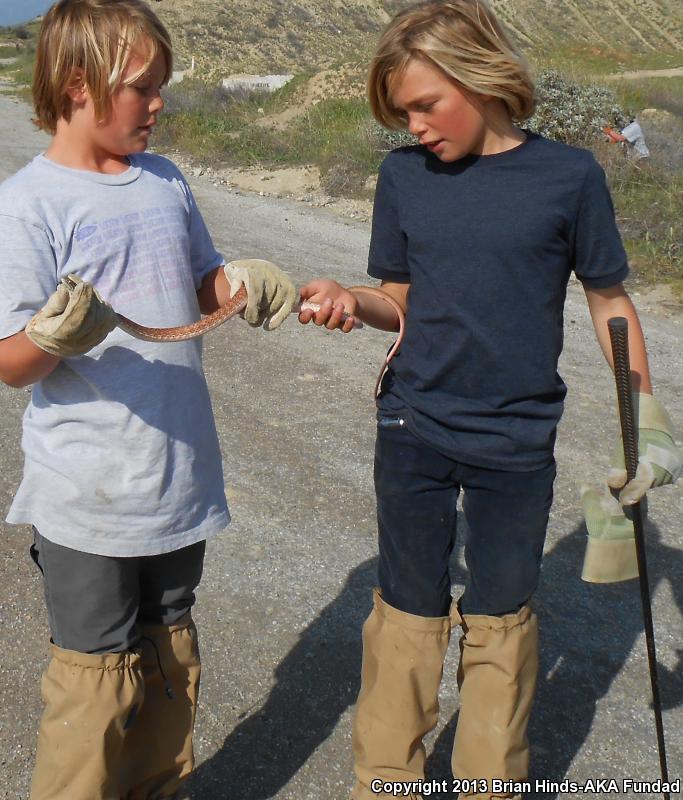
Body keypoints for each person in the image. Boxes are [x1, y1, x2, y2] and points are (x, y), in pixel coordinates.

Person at [297, 2, 682, 798]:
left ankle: (487, 784)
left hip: (516, 439)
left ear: (478, 77)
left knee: (501, 617)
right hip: (412, 423)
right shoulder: (403, 176)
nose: (414, 126)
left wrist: (642, 426)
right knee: (406, 608)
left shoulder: (568, 177)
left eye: (423, 105)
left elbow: (609, 303)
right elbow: (396, 299)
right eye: (401, 113)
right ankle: (386, 781)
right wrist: (347, 299)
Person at [0, 2, 296, 798]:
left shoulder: (164, 181)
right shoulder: (28, 203)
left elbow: (200, 281)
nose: (159, 102)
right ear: (77, 85)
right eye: (141, 87)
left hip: (177, 479)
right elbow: (11, 363)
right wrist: (53, 337)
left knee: (168, 657)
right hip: (87, 496)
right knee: (94, 682)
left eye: (160, 84)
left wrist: (238, 282)